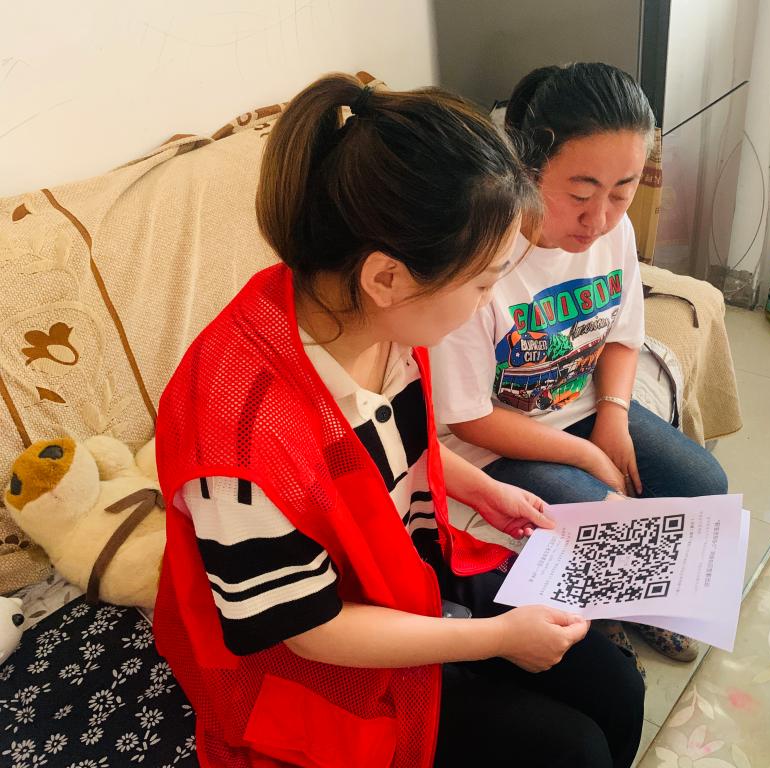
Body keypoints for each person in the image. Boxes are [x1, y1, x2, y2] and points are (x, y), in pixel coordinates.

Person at [153, 73, 644, 768]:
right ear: (387, 277)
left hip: (403, 570)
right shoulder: (240, 439)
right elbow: (311, 631)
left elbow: (379, 456)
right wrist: (496, 639)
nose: (488, 304)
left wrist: (483, 490)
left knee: (615, 688)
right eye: (482, 282)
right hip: (315, 650)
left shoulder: (375, 317)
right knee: (573, 749)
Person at [431, 63, 729, 664]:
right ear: (528, 168)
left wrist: (613, 417)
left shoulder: (612, 234)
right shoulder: (483, 254)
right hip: (497, 439)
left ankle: (642, 601)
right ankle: (605, 617)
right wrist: (587, 454)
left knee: (704, 485)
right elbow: (467, 418)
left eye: (622, 192)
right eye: (580, 194)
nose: (600, 220)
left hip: (581, 404)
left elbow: (622, 336)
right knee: (597, 515)